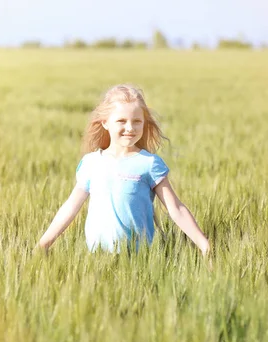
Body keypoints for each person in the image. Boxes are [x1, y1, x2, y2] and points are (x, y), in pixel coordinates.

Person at [38, 84, 210, 255]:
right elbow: (70, 207)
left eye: (137, 122)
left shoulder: (149, 164)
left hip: (140, 259)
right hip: (97, 259)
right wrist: (44, 243)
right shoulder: (91, 163)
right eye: (121, 121)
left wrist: (204, 245)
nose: (130, 128)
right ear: (105, 122)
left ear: (144, 123)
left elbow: (176, 209)